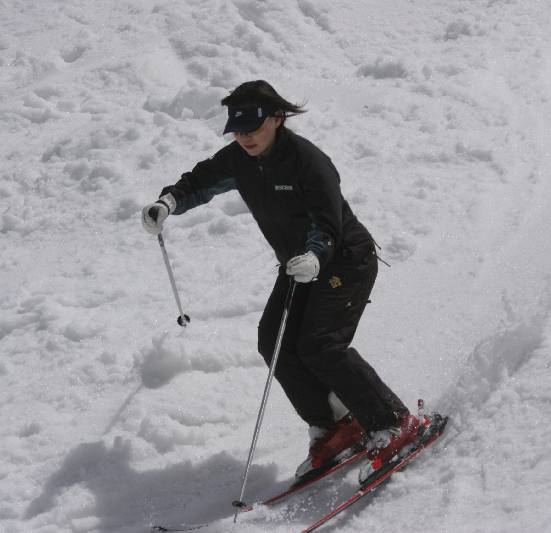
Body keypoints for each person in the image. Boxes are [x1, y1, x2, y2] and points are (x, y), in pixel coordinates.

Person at [141, 80, 420, 483]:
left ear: (277, 118)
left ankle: (394, 422)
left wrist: (316, 255)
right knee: (274, 341)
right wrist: (167, 202)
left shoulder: (308, 162)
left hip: (343, 259)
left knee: (321, 345)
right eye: (237, 130)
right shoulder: (239, 158)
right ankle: (335, 425)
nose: (245, 138)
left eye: (252, 128)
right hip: (297, 266)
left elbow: (328, 222)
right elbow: (201, 181)